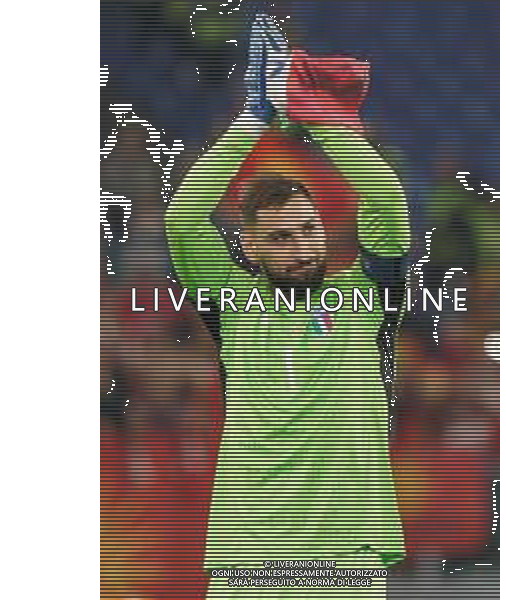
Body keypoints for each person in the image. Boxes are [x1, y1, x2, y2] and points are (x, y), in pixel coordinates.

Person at [165, 13, 411, 598]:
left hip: (347, 547)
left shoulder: (367, 294)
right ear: (248, 244)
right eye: (280, 237)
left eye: (308, 230)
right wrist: (253, 119)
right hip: (249, 546)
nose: (301, 248)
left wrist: (319, 119)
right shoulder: (231, 300)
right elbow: (184, 218)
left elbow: (386, 203)